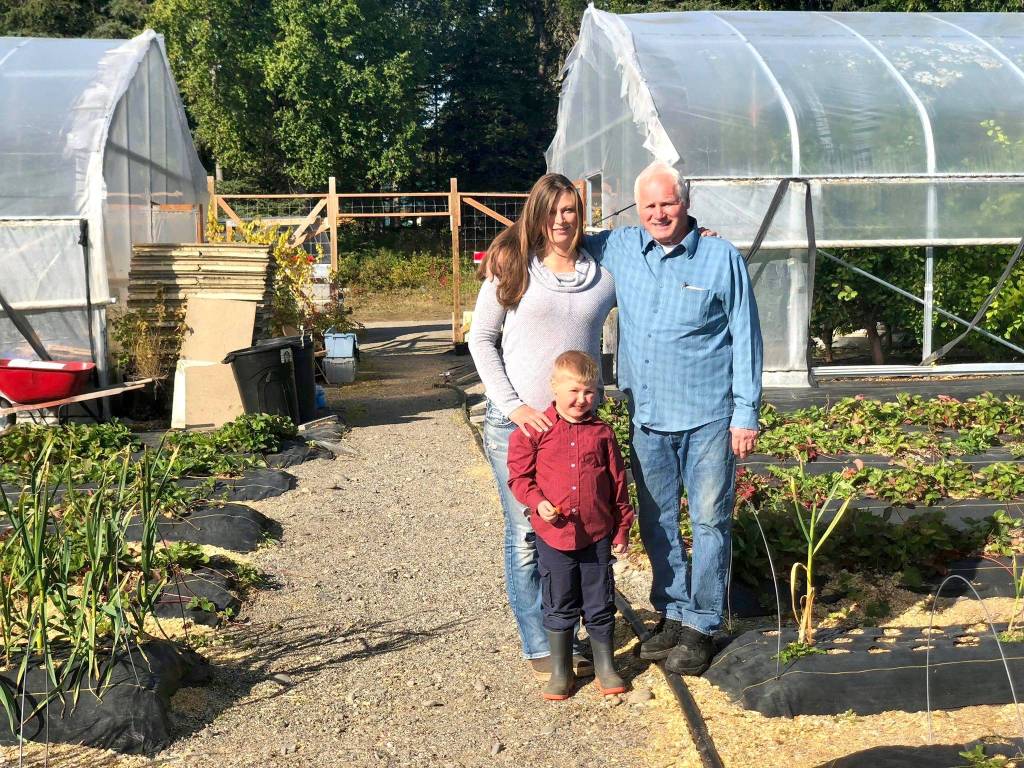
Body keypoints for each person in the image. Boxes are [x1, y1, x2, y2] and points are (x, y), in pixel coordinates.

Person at [585, 160, 763, 676]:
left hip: (709, 416)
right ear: (636, 210)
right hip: (648, 417)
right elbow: (563, 241)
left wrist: (745, 413)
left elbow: (746, 338)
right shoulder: (619, 247)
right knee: (656, 519)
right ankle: (672, 610)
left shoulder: (720, 256)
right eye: (650, 206)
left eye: (669, 203)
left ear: (686, 204)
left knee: (708, 522)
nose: (660, 214)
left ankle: (703, 624)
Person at [469, 174, 617, 682]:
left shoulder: (601, 275)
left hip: (576, 428)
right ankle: (540, 641)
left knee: (578, 532)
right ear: (537, 214)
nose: (562, 220)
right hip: (521, 428)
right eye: (552, 210)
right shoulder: (514, 267)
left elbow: (647, 240)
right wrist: (512, 406)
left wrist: (696, 230)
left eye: (571, 210)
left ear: (581, 214)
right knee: (528, 534)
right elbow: (482, 339)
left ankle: (570, 631)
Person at [506, 351, 634, 700]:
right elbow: (518, 477)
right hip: (556, 535)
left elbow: (617, 483)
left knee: (599, 599)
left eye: (590, 392)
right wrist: (537, 502)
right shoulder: (534, 430)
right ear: (555, 388)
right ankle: (561, 669)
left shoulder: (602, 433)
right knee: (559, 600)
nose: (582, 399)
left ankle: (605, 665)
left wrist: (622, 527)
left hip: (596, 536)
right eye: (575, 391)